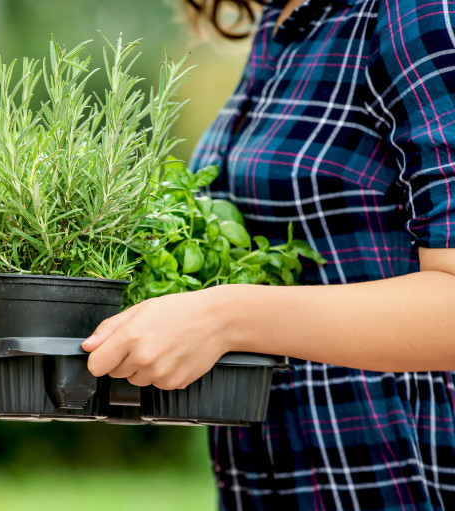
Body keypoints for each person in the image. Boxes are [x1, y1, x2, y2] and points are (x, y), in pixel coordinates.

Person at [81, 0, 455, 508]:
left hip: (399, 482)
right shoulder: (283, 21)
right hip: (269, 480)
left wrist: (227, 316)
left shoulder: (415, 12)